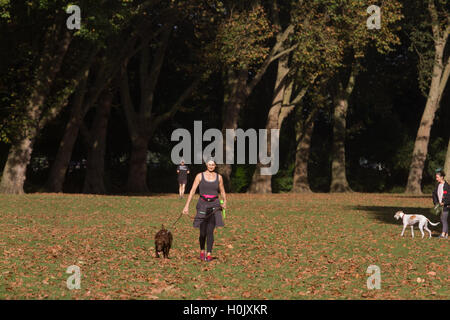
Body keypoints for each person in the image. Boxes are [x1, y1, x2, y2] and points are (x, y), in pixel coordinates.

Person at [182, 159, 227, 262]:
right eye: (209, 164)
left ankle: (209, 253)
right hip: (202, 205)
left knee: (210, 231)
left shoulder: (219, 177)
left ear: (215, 165)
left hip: (215, 205)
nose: (211, 166)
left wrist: (225, 201)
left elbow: (222, 190)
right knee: (203, 233)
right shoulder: (199, 176)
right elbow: (193, 190)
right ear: (206, 165)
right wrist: (186, 206)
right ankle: (202, 250)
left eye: (213, 164)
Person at [432, 170, 450, 239]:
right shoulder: (438, 185)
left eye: (437, 177)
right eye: (436, 177)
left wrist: (444, 202)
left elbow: (448, 197)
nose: (436, 179)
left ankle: (443, 234)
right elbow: (434, 194)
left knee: (443, 219)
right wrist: (436, 203)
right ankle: (446, 234)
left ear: (442, 177)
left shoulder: (447, 186)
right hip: (439, 205)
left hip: (446, 205)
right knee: (442, 218)